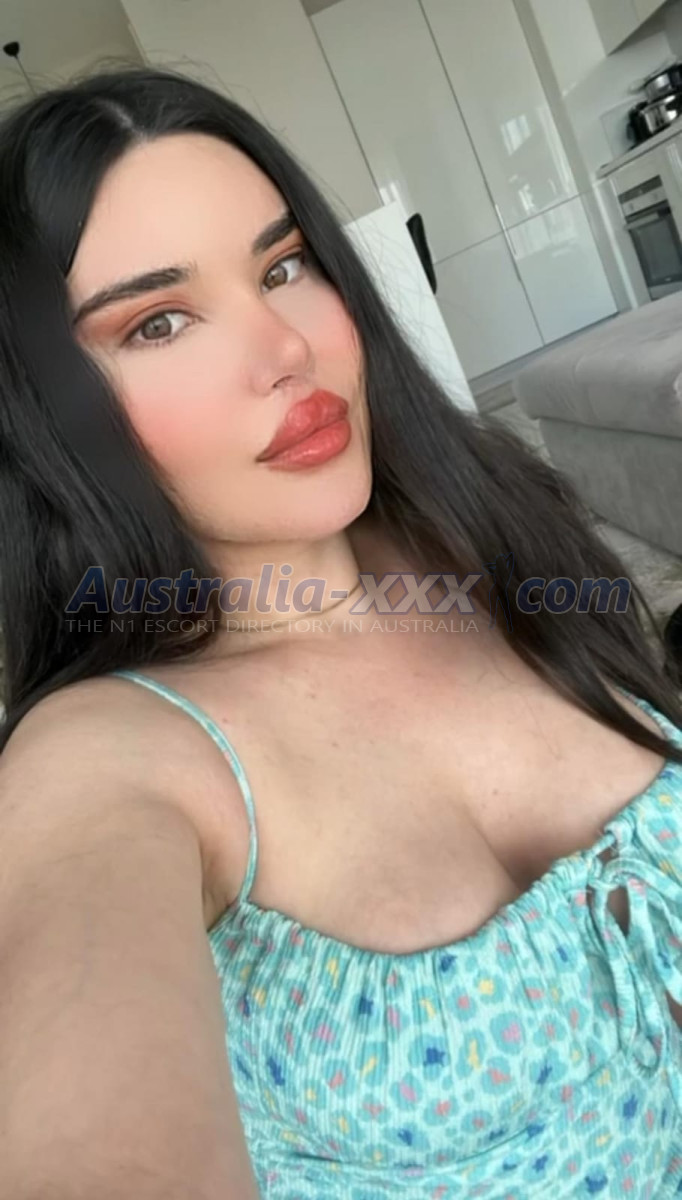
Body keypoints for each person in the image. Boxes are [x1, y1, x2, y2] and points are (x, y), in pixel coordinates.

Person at [0, 64, 680, 1200]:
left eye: (283, 267)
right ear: (38, 418)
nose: (286, 348)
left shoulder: (484, 522)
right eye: (159, 321)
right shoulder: (107, 760)